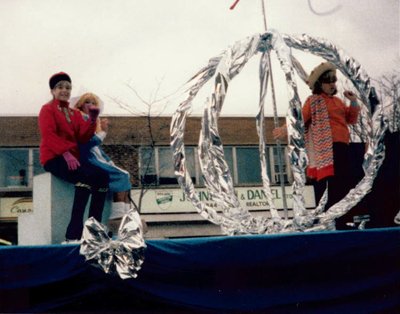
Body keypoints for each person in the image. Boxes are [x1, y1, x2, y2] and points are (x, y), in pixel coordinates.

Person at [273, 62, 360, 212]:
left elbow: (351, 119)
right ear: (320, 84)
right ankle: (326, 214)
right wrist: (285, 129)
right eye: (328, 81)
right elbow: (300, 120)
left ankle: (341, 215)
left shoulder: (338, 102)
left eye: (334, 80)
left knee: (344, 181)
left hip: (342, 146)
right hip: (326, 148)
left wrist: (353, 101)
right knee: (328, 182)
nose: (332, 84)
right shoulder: (313, 101)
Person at [38, 72, 109, 243]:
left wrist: (92, 120)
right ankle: (73, 234)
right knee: (84, 177)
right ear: (52, 91)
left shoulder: (73, 113)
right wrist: (66, 153)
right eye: (60, 87)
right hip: (54, 157)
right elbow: (49, 135)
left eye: (68, 88)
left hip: (72, 158)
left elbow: (83, 137)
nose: (65, 90)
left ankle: (94, 230)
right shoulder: (47, 109)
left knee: (102, 176)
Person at [74, 93, 145, 235]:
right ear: (81, 104)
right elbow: (86, 143)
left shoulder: (93, 121)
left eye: (93, 103)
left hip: (96, 156)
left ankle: (124, 213)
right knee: (122, 175)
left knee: (125, 175)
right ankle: (117, 215)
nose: (90, 105)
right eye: (87, 102)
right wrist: (102, 133)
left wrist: (109, 160)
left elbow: (98, 148)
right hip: (89, 159)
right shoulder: (80, 119)